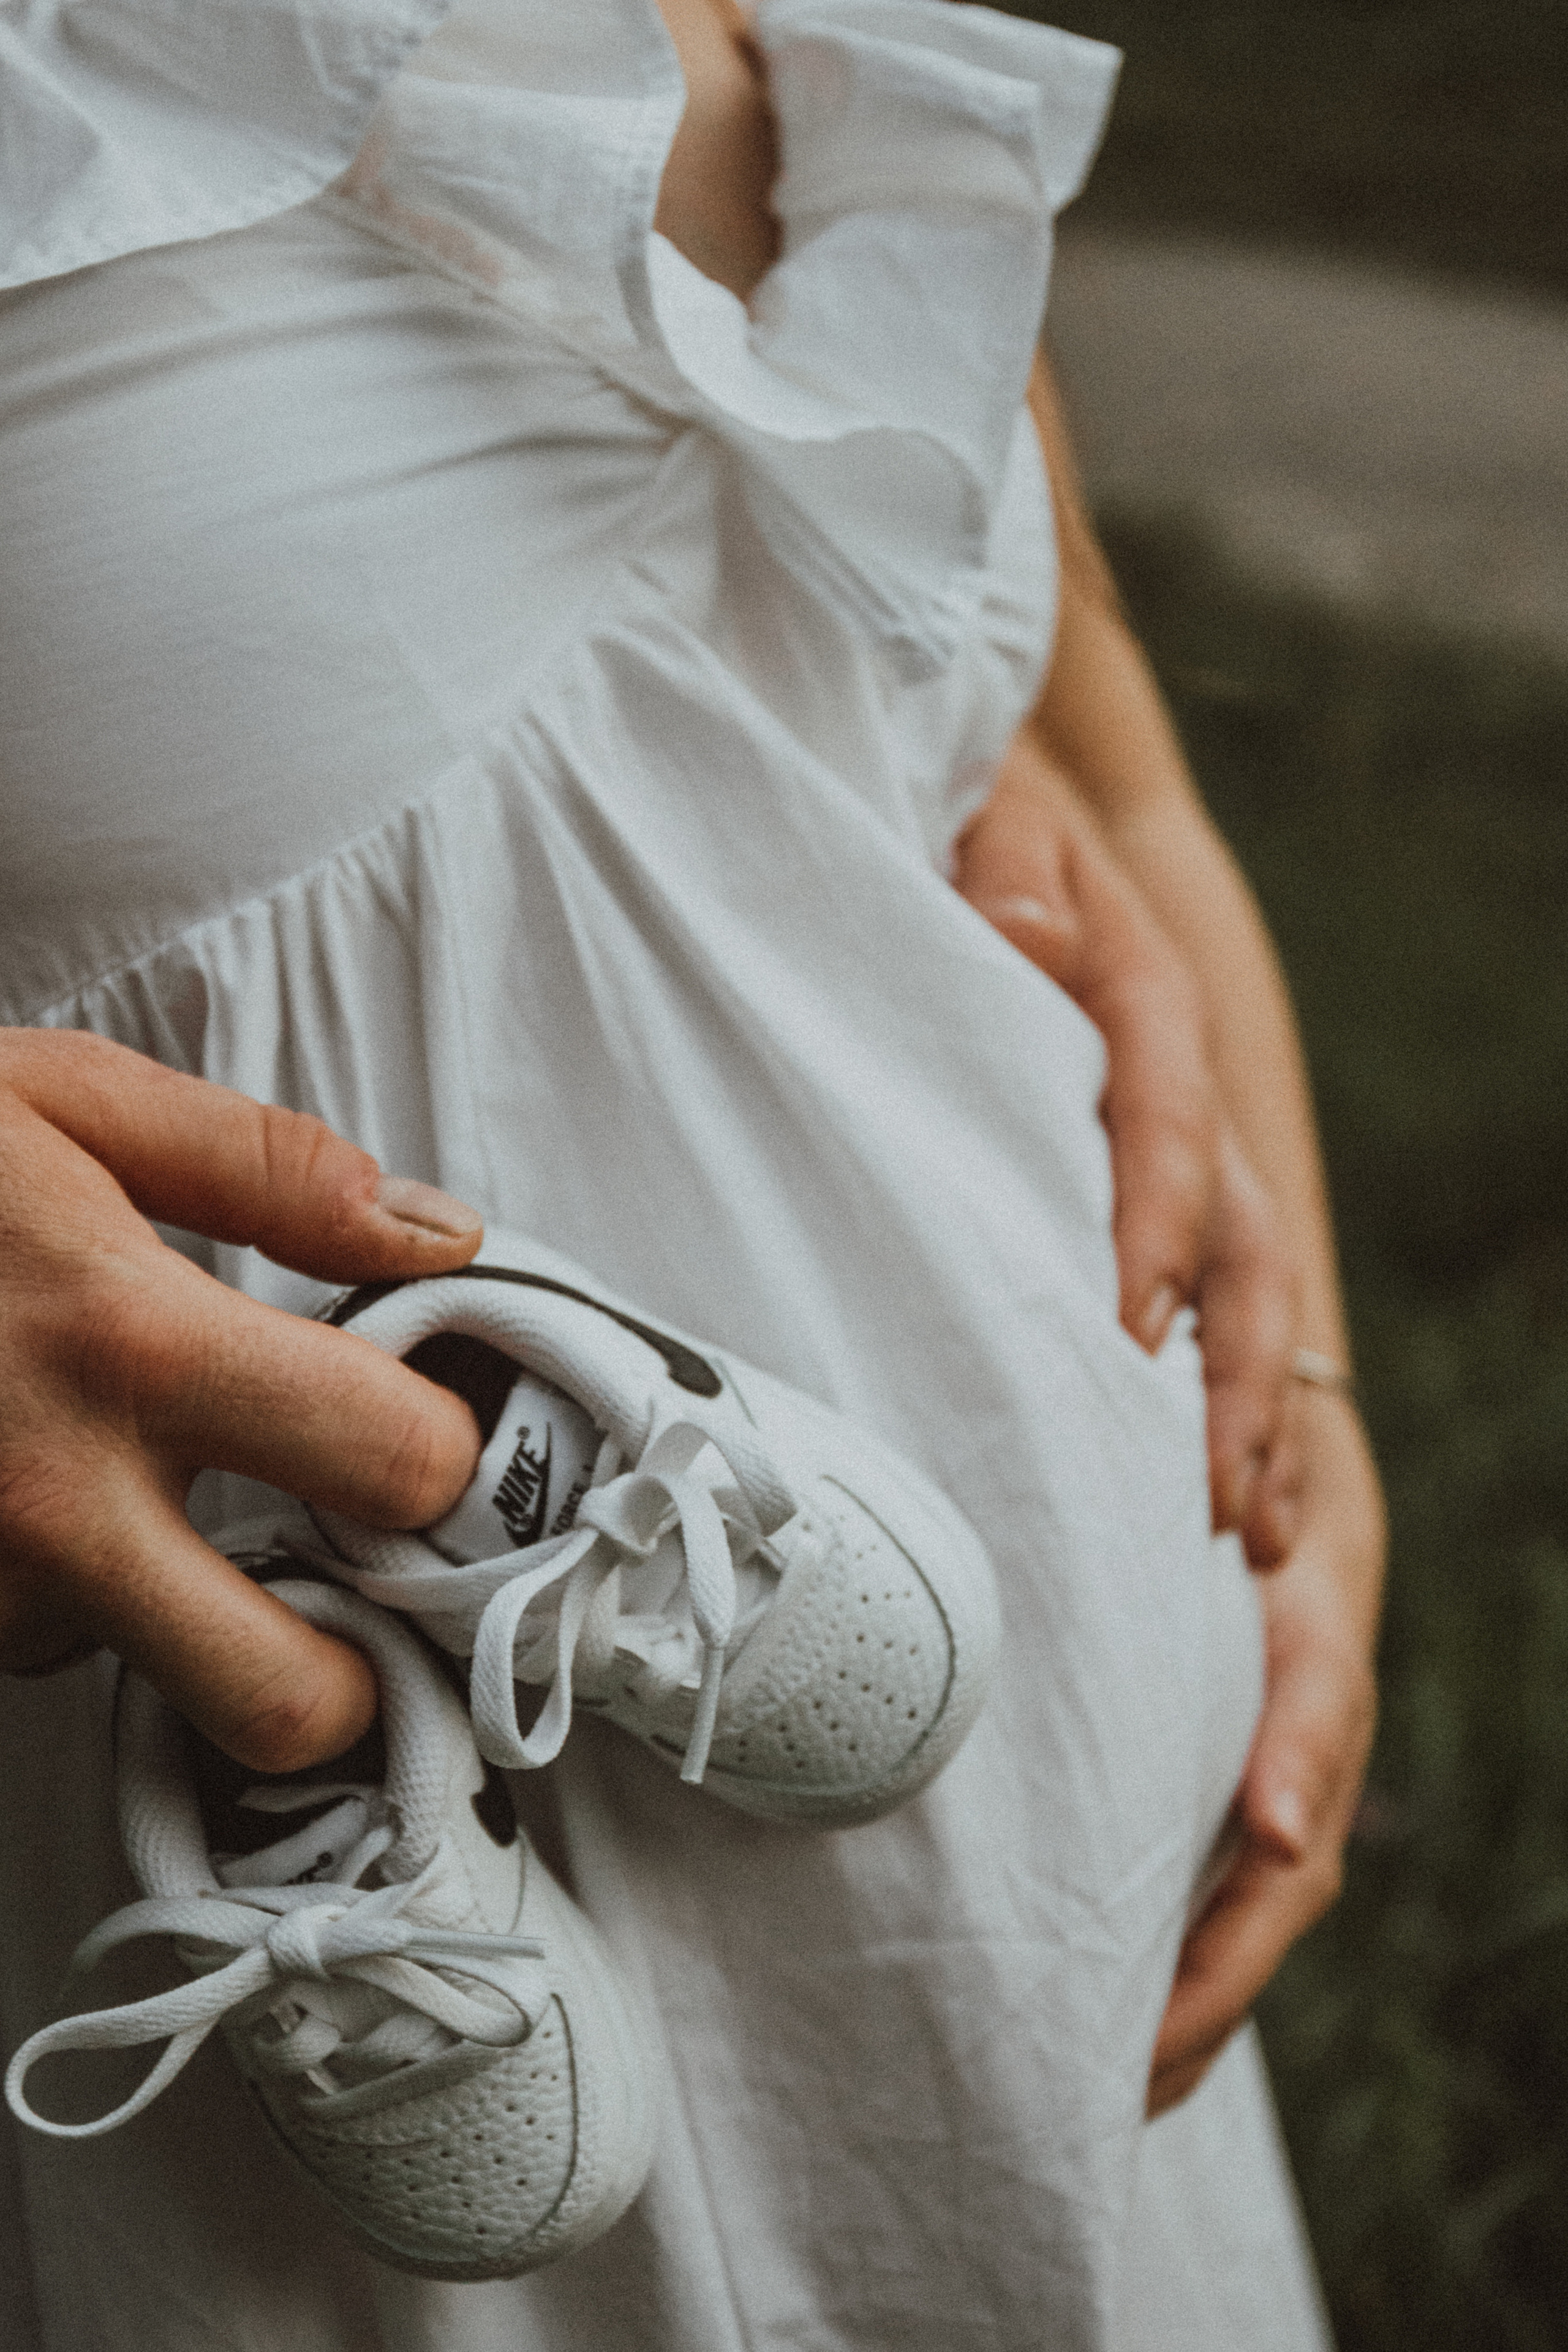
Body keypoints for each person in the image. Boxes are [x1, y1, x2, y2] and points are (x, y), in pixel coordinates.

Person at [0, 0, 1384, 2345]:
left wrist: (1307, 1430)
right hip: (339, 2081)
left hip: (1055, 1962)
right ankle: (325, 1711)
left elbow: (1087, 745)